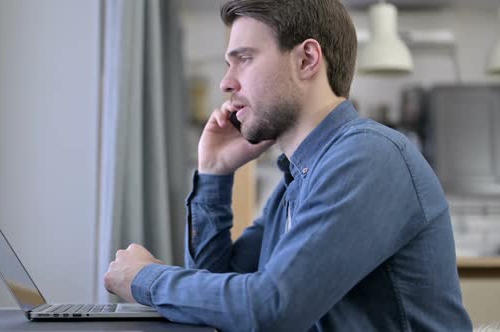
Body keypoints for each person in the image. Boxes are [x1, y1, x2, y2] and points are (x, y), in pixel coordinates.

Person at [104, 0, 473, 330]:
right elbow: (217, 298)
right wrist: (214, 172)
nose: (226, 82)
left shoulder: (370, 157)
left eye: (244, 58)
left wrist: (144, 279)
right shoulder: (296, 183)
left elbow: (270, 308)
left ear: (307, 59)